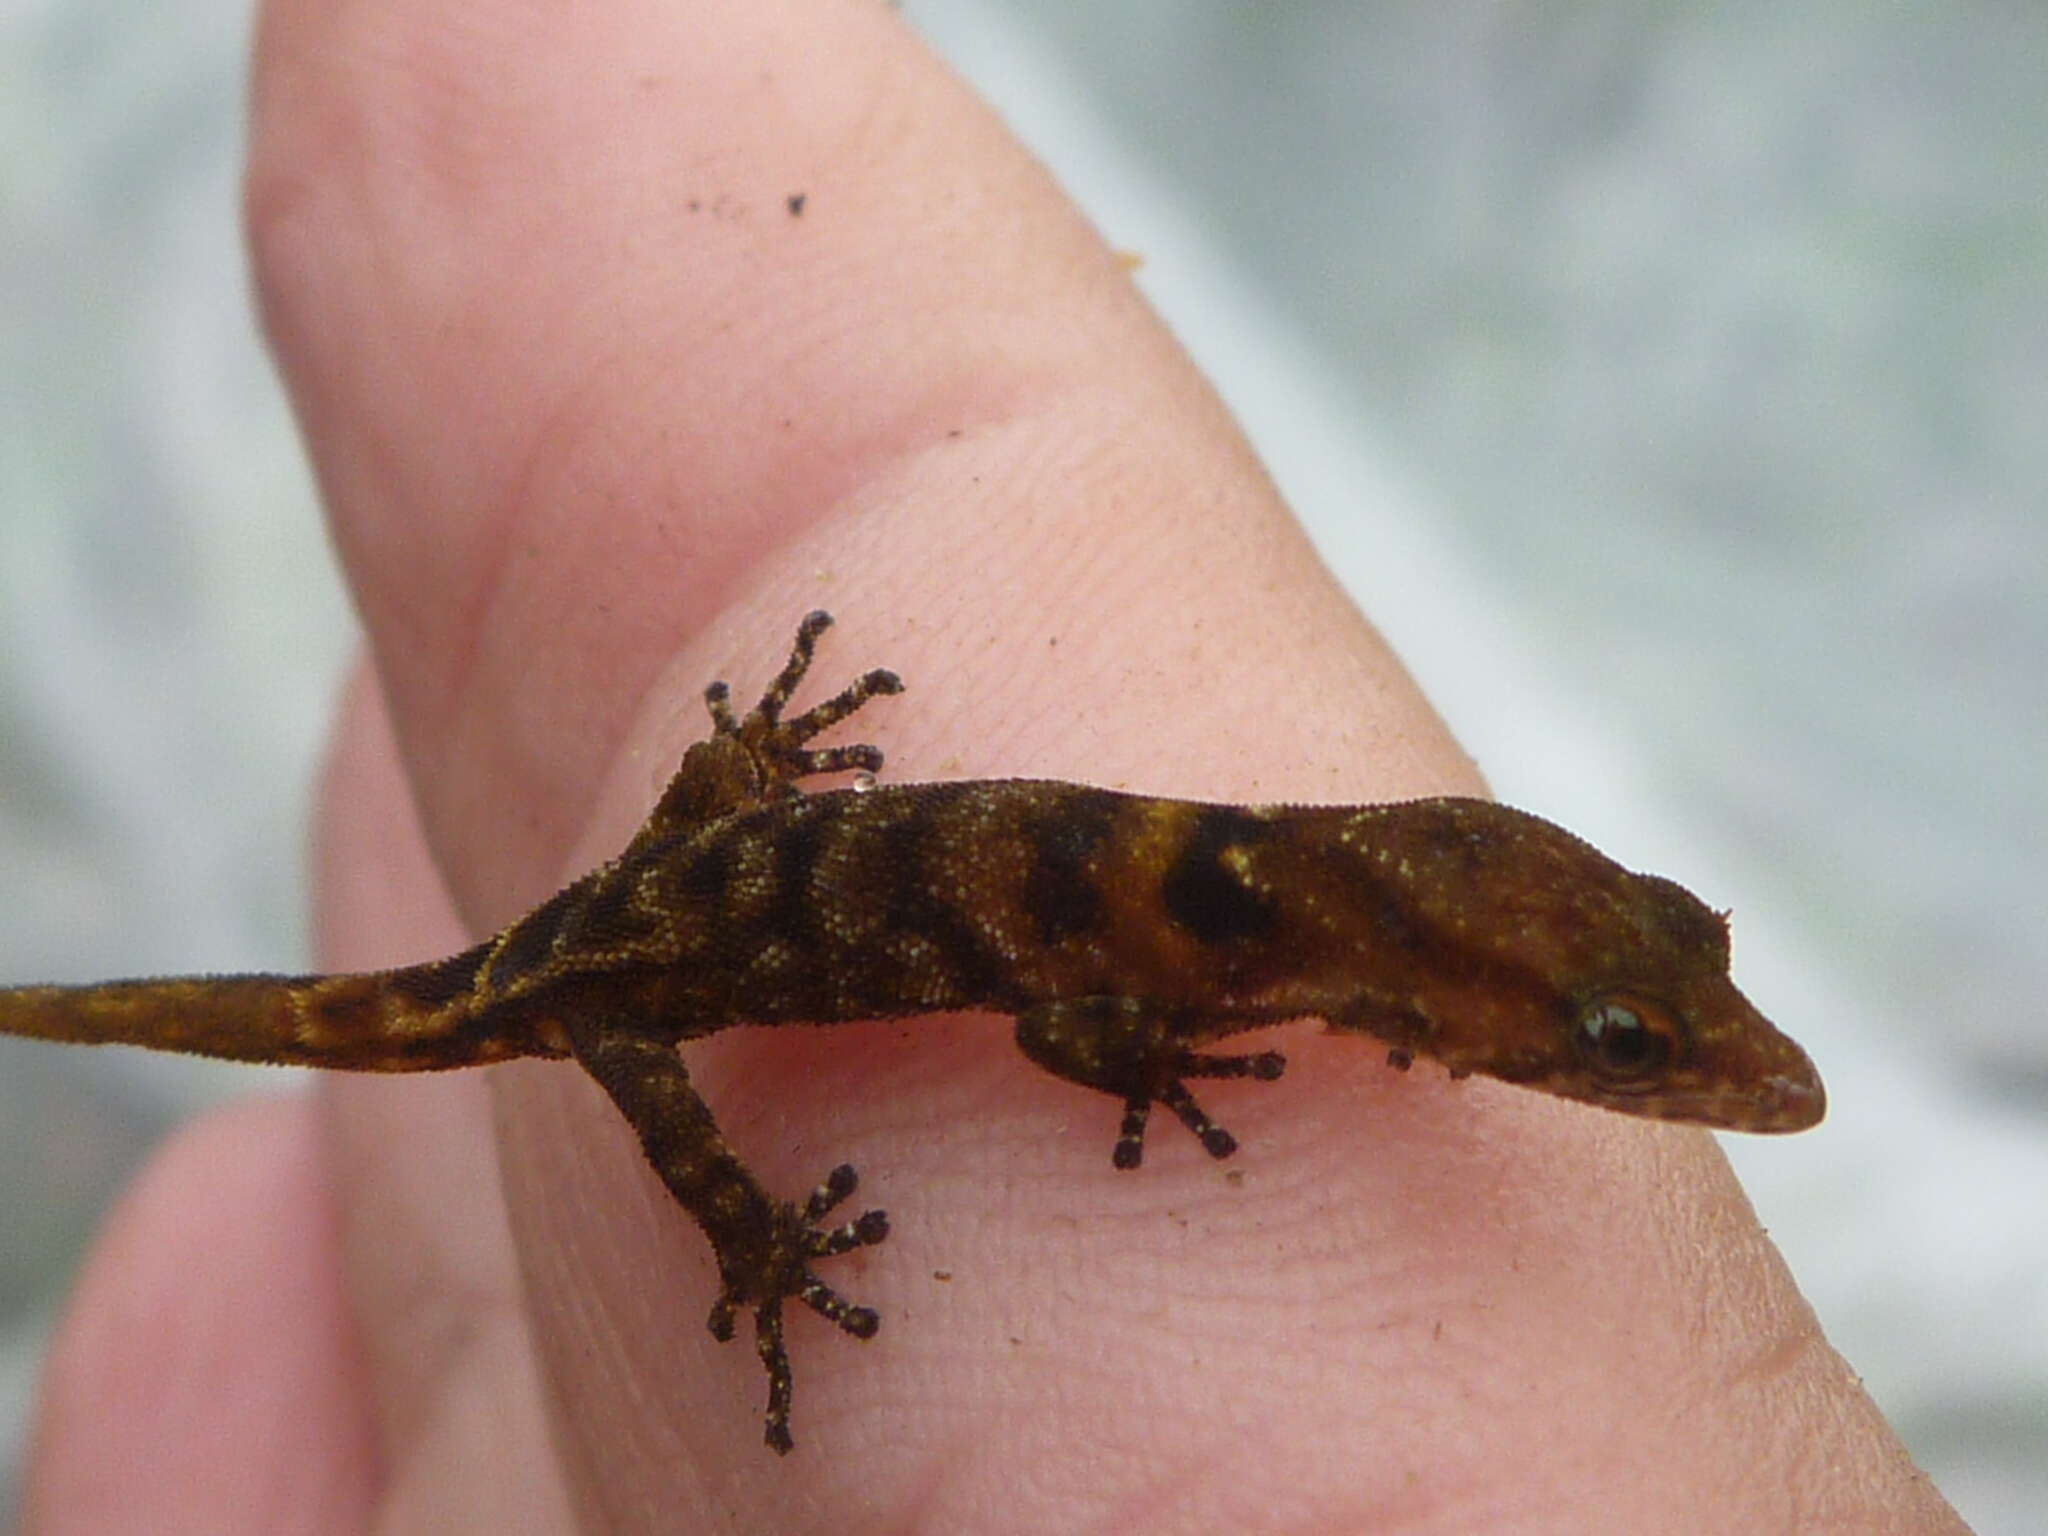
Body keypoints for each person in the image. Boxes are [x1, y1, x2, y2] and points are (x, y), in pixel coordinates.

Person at [20, 1, 1970, 1530]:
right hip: (616, 978)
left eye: (1640, 1018)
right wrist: (758, 1240)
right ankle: (753, 1222)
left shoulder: (1274, 887)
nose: (1724, 1076)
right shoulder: (1212, 948)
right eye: (1625, 1040)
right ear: (1434, 967)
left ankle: (731, 774)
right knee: (518, 1045)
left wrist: (753, 785)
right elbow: (1053, 1032)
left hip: (706, 871)